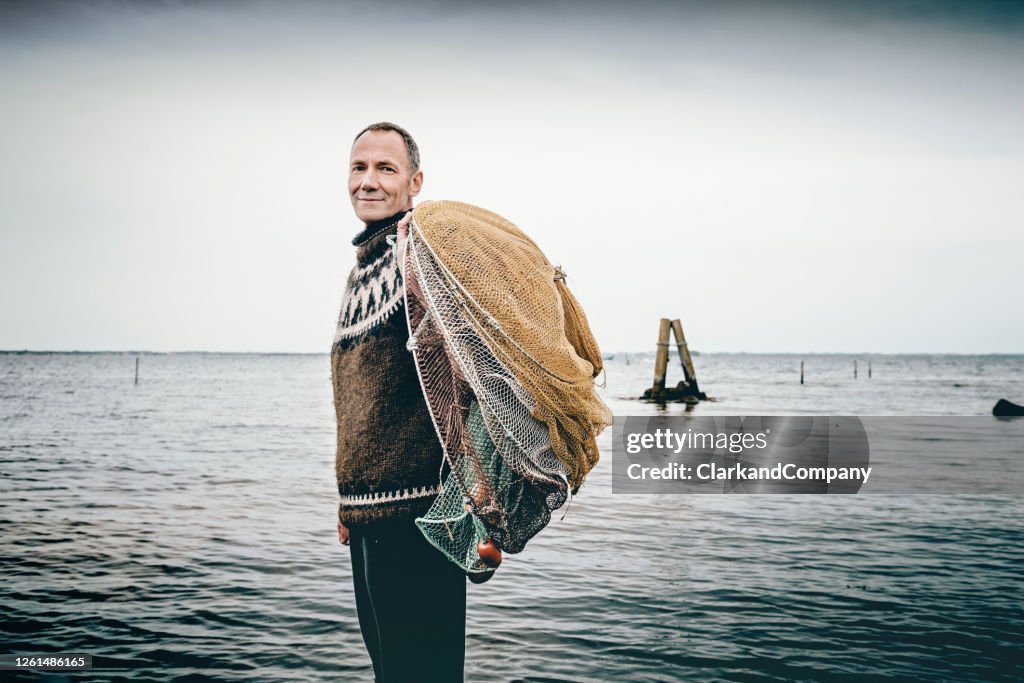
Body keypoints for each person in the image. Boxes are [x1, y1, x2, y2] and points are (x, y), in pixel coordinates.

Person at [331, 122, 467, 682]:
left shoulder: (421, 258)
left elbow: (465, 376)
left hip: (421, 515)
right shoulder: (365, 268)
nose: (369, 181)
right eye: (359, 167)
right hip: (367, 516)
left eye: (385, 169)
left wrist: (470, 494)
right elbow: (361, 400)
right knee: (390, 672)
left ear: (414, 183)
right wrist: (348, 502)